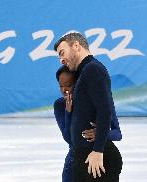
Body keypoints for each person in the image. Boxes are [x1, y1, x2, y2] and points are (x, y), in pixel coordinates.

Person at [54, 32, 123, 182]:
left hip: (97, 159)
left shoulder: (92, 69)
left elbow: (104, 110)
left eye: (62, 53)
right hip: (85, 158)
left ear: (76, 46)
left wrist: (98, 150)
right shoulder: (83, 72)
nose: (61, 59)